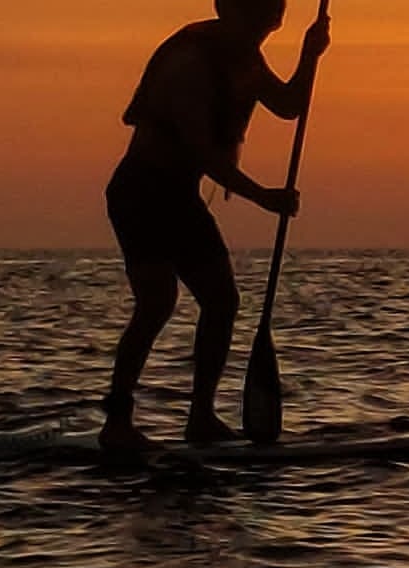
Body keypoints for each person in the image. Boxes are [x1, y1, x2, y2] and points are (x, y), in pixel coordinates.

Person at [99, 0, 330, 451]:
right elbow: (204, 153)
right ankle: (117, 422)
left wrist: (309, 54)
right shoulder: (190, 62)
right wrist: (264, 196)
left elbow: (287, 105)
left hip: (180, 197)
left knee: (222, 302)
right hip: (141, 192)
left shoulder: (243, 52)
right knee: (156, 303)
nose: (264, 24)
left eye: (270, 18)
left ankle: (201, 418)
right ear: (230, 10)